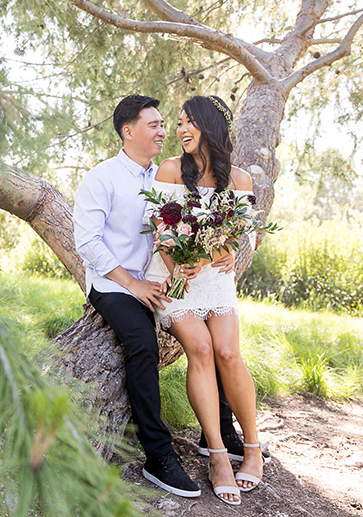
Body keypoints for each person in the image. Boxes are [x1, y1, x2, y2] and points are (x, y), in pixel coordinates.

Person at [72, 94, 238, 498]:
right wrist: (133, 285)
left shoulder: (172, 172)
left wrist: (220, 251)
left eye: (166, 124)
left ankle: (221, 430)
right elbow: (87, 242)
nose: (165, 131)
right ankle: (158, 455)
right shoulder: (103, 178)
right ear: (128, 132)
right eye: (155, 125)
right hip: (116, 285)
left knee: (214, 338)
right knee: (143, 345)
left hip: (170, 279)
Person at [142, 95, 266, 506]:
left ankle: (251, 448)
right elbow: (159, 227)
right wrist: (177, 261)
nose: (179, 130)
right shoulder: (171, 170)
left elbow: (236, 235)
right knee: (201, 347)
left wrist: (213, 253)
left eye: (188, 122)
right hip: (173, 278)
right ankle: (216, 454)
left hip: (214, 280)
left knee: (229, 351)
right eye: (177, 123)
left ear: (210, 127)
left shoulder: (241, 180)